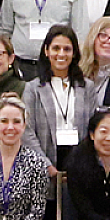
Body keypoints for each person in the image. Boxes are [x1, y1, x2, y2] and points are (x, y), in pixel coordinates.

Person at [26, 23, 96, 165]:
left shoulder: (87, 87)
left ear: (74, 53)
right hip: (44, 160)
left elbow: (93, 127)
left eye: (67, 49)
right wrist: (44, 164)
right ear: (46, 51)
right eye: (56, 48)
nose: (61, 54)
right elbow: (27, 132)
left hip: (80, 161)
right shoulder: (33, 88)